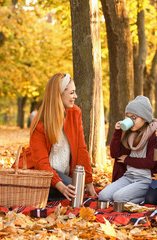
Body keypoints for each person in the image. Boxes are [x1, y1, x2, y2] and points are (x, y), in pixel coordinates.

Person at [14, 73, 97, 201]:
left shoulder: (75, 113)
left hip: (61, 174)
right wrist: (61, 186)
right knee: (72, 190)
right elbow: (41, 163)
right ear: (59, 94)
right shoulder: (40, 121)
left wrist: (89, 182)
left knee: (77, 190)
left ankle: (37, 195)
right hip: (38, 172)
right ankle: (23, 192)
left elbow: (81, 149)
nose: (75, 96)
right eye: (71, 93)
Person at [98, 96, 157, 204]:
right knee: (103, 196)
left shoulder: (154, 135)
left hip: (145, 179)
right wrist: (117, 132)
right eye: (128, 117)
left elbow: (151, 163)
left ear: (144, 118)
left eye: (134, 118)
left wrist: (128, 160)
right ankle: (128, 200)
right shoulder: (130, 134)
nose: (130, 121)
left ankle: (144, 199)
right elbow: (115, 154)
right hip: (128, 177)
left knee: (118, 197)